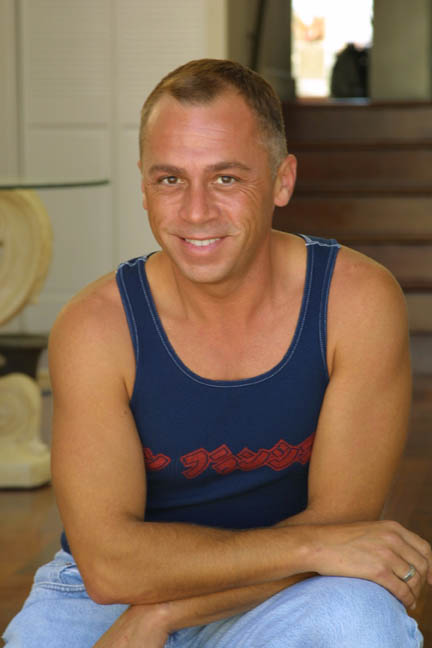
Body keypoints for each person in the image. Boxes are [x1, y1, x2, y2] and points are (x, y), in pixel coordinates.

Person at [3, 58, 431, 648]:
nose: (196, 211)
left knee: (359, 623)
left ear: (282, 180)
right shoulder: (96, 326)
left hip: (292, 586)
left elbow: (342, 530)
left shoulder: (354, 301)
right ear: (144, 187)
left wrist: (161, 617)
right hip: (107, 598)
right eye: (170, 180)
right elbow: (110, 566)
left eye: (226, 178)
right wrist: (311, 546)